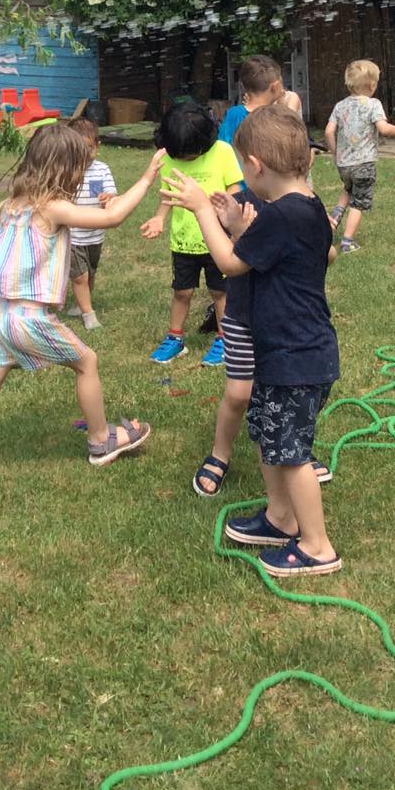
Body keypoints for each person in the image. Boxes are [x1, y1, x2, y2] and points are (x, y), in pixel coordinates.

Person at [0, 124, 159, 497]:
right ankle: (101, 440)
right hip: (26, 318)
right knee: (87, 361)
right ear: (65, 170)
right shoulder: (53, 207)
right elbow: (112, 219)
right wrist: (145, 179)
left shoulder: (15, 203)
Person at [164, 103, 341, 576]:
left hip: (297, 357)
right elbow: (270, 253)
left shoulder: (285, 216)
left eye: (244, 168)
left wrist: (204, 210)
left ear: (256, 166)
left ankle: (317, 546)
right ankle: (280, 519)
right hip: (284, 353)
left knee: (291, 453)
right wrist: (242, 226)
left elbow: (229, 264)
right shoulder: (302, 207)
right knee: (268, 436)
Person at [190, 176, 332, 500]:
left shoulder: (302, 207)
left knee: (291, 395)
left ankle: (296, 451)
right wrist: (237, 229)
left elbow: (325, 254)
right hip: (244, 318)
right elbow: (230, 260)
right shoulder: (241, 201)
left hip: (283, 325)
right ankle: (220, 454)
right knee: (239, 394)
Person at [141, 103, 243, 367]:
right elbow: (169, 194)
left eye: (190, 154)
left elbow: (235, 188)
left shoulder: (222, 152)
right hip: (183, 241)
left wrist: (227, 215)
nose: (185, 160)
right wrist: (159, 217)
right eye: (181, 155)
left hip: (217, 241)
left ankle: (225, 340)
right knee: (182, 292)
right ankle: (175, 339)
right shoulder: (169, 157)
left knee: (220, 293)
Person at [324, 59, 395, 252]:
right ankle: (347, 241)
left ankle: (335, 218)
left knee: (348, 188)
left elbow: (329, 132)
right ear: (372, 85)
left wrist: (335, 152)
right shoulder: (373, 104)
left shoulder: (340, 106)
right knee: (359, 201)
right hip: (364, 163)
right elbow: (384, 128)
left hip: (344, 163)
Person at [64, 118, 116, 331]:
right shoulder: (65, 170)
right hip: (72, 235)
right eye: (79, 149)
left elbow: (113, 194)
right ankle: (89, 314)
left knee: (91, 273)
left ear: (97, 146)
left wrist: (109, 197)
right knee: (80, 276)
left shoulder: (102, 170)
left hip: (95, 235)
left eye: (89, 148)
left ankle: (81, 304)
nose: (85, 154)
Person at [218, 55, 302, 148]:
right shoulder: (277, 119)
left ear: (242, 86)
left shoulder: (233, 114)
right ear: (275, 86)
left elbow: (222, 148)